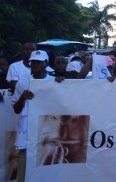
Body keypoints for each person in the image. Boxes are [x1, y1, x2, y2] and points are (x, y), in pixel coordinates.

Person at [12, 50, 55, 182]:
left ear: (46, 63)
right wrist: (22, 99)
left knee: (47, 168)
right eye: (33, 62)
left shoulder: (53, 82)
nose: (35, 65)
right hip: (27, 132)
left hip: (47, 132)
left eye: (38, 62)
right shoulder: (23, 82)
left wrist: (62, 83)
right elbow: (16, 110)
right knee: (24, 165)